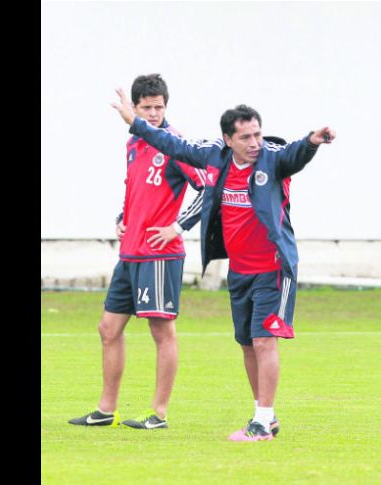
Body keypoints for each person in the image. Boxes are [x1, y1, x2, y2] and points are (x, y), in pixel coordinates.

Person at [112, 92, 335, 442]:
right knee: (247, 343)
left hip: (273, 269)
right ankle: (266, 414)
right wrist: (136, 124)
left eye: (257, 134)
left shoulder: (273, 159)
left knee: (264, 341)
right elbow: (174, 146)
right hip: (240, 271)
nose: (254, 143)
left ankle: (261, 424)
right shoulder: (216, 156)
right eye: (245, 137)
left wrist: (312, 141)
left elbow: (295, 153)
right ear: (229, 139)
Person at [69, 74, 205, 430]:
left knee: (162, 331)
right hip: (130, 253)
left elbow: (208, 188)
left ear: (166, 106)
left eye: (159, 107)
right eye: (147, 108)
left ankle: (158, 414)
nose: (154, 113)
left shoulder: (174, 144)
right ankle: (105, 410)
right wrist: (122, 218)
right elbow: (138, 191)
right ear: (135, 108)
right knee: (108, 328)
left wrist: (178, 227)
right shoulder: (134, 144)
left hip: (159, 254)